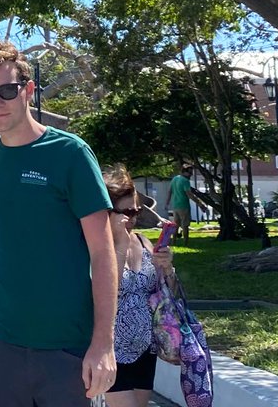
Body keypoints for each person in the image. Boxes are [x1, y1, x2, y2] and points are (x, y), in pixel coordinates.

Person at [0, 40, 117, 407]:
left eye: (6, 90)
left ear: (28, 90)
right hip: (5, 347)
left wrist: (103, 344)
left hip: (68, 349)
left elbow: (103, 253)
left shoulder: (70, 154)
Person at [103, 165, 175, 407]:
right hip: (112, 350)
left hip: (145, 349)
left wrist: (167, 269)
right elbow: (105, 291)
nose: (132, 218)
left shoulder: (144, 242)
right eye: (125, 212)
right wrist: (120, 244)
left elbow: (162, 293)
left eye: (135, 211)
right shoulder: (97, 248)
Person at [168, 166, 199, 242]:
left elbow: (170, 191)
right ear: (184, 172)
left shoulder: (175, 179)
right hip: (184, 205)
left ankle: (173, 241)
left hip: (175, 206)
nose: (191, 175)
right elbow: (189, 194)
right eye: (190, 173)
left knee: (176, 225)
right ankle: (186, 242)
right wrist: (200, 204)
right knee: (185, 225)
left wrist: (167, 202)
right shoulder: (185, 181)